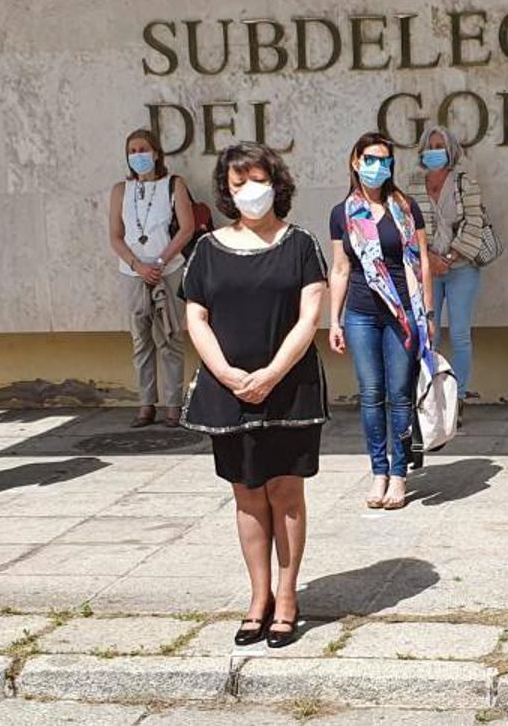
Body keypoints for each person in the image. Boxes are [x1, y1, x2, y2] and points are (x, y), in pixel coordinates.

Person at [180, 142, 328, 649]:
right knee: (246, 494)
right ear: (227, 190)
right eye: (238, 183)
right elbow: (195, 316)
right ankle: (258, 598)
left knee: (285, 491)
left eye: (257, 180)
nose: (249, 191)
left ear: (276, 183)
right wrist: (225, 372)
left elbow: (310, 317)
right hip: (229, 391)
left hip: (289, 389)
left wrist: (270, 373)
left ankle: (287, 597)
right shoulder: (207, 248)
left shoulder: (301, 244)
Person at [328, 133, 433, 510]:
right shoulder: (343, 213)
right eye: (371, 158)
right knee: (371, 394)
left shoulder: (406, 208)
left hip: (402, 314)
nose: (378, 166)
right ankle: (379, 471)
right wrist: (334, 320)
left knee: (400, 396)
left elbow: (421, 262)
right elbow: (340, 268)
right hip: (360, 314)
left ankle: (400, 475)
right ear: (355, 161)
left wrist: (429, 314)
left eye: (385, 160)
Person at [108, 129, 196, 428]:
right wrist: (137, 264)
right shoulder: (121, 190)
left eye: (143, 149)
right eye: (132, 150)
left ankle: (174, 404)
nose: (138, 156)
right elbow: (116, 236)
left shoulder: (174, 185)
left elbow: (187, 228)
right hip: (133, 273)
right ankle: (146, 404)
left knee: (170, 337)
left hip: (167, 271)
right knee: (140, 340)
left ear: (156, 153)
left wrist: (160, 261)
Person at [407, 126, 485, 416]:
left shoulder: (465, 182)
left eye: (440, 145)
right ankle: (429, 393)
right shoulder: (413, 184)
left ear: (450, 150)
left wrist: (449, 257)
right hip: (427, 269)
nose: (434, 151)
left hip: (461, 268)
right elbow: (407, 226)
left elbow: (474, 222)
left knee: (460, 333)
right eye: (430, 146)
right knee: (429, 334)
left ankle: (459, 397)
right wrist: (429, 257)